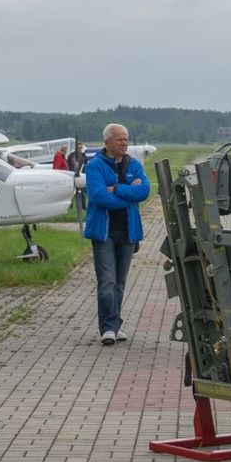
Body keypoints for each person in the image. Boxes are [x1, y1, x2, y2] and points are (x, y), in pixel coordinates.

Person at [85, 123, 151, 346]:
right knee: (107, 282)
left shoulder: (134, 165)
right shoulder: (94, 166)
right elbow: (98, 197)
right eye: (119, 139)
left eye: (126, 139)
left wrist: (119, 190)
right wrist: (128, 195)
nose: (124, 143)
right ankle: (108, 328)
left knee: (120, 283)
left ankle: (115, 324)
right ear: (107, 142)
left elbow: (144, 191)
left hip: (128, 232)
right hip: (104, 233)